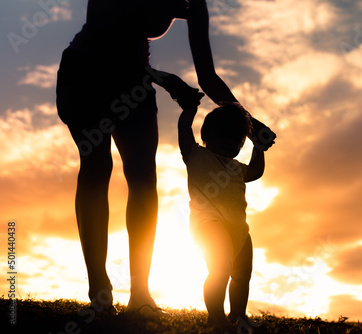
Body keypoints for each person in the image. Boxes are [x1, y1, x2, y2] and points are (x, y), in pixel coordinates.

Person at [56, 0, 275, 319]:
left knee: (144, 178)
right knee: (97, 165)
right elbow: (104, 41)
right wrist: (162, 77)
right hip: (86, 71)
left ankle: (140, 294)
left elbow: (208, 77)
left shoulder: (194, 6)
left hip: (136, 82)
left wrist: (250, 124)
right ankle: (99, 292)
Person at [176, 101, 271, 332]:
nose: (232, 143)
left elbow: (256, 171)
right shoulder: (195, 155)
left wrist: (259, 146)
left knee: (241, 275)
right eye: (226, 135)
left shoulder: (236, 168)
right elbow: (184, 131)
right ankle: (215, 316)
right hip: (209, 225)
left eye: (237, 139)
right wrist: (188, 109)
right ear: (207, 135)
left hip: (240, 230)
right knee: (219, 270)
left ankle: (237, 314)